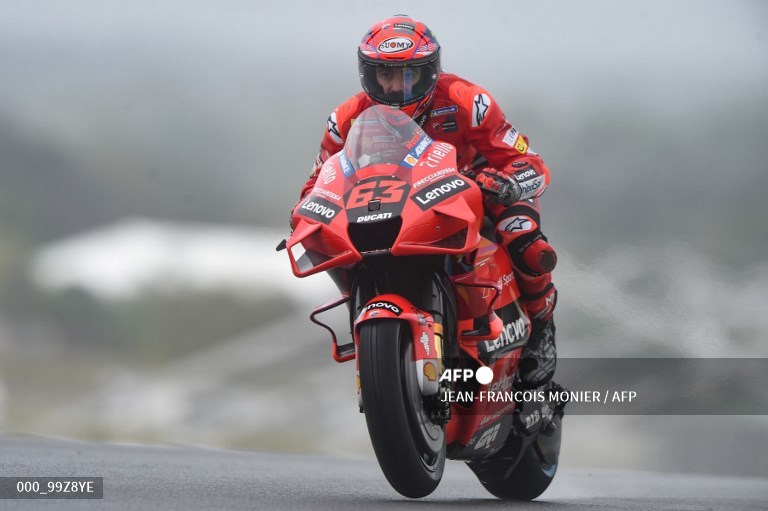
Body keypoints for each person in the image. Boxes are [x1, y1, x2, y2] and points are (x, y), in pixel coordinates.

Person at [298, 15, 558, 390]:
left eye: (409, 74)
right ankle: (374, 329)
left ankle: (542, 334)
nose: (395, 84)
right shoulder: (346, 119)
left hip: (477, 193)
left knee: (525, 239)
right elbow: (317, 180)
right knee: (332, 244)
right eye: (384, 74)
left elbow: (528, 162)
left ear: (430, 72)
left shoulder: (468, 100)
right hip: (392, 205)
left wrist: (505, 183)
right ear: (367, 74)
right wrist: (304, 211)